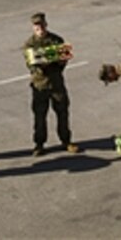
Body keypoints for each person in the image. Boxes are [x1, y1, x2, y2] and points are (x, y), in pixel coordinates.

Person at [22, 12, 79, 155]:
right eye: (36, 26)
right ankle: (39, 143)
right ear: (33, 28)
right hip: (40, 85)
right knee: (40, 116)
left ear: (45, 25)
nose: (39, 28)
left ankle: (66, 140)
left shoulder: (56, 40)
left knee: (63, 113)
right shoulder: (30, 44)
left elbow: (63, 59)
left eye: (41, 25)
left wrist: (60, 61)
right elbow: (31, 65)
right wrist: (43, 64)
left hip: (56, 83)